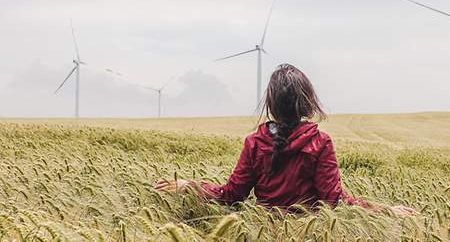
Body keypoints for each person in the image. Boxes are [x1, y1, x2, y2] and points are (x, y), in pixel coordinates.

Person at [154, 64, 416, 217]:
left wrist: (190, 185)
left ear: (271, 103)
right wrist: (385, 210)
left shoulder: (254, 143)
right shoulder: (320, 143)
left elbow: (230, 196)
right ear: (307, 102)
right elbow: (334, 201)